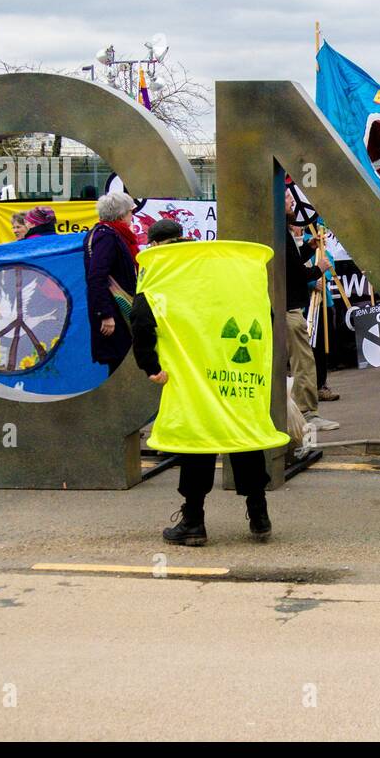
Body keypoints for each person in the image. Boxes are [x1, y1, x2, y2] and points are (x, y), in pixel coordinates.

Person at [130, 227, 274, 546]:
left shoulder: (164, 271)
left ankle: (194, 521)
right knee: (245, 434)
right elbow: (264, 313)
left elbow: (141, 316)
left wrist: (150, 366)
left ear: (155, 245)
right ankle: (259, 514)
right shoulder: (221, 268)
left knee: (198, 442)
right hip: (235, 368)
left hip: (191, 374)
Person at [284, 188, 338, 431]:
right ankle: (307, 415)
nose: (292, 201)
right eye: (287, 197)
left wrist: (308, 248)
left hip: (285, 306)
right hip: (289, 308)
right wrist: (319, 268)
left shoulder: (277, 230)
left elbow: (291, 263)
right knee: (304, 363)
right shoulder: (280, 232)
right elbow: (293, 272)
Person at [84, 191, 139, 375]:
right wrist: (105, 314)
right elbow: (97, 276)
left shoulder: (110, 234)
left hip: (118, 311)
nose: (132, 217)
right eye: (131, 212)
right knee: (120, 366)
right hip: (116, 313)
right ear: (122, 214)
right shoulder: (107, 236)